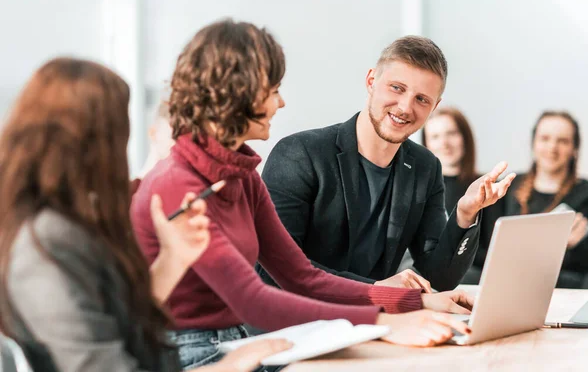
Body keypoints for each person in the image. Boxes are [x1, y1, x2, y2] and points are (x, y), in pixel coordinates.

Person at [132, 20, 473, 370]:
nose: (281, 102)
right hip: (183, 354)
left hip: (236, 343)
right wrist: (385, 324)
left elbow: (301, 277)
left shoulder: (242, 175)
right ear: (237, 93)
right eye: (273, 89)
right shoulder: (179, 183)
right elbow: (253, 300)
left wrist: (409, 301)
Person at [0, 57, 293, 372]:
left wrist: (172, 258)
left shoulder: (68, 224)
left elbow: (121, 322)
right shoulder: (45, 241)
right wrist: (229, 367)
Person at [257, 36, 515, 293]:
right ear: (371, 81)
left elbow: (439, 278)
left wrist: (465, 213)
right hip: (298, 326)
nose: (405, 107)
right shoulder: (299, 154)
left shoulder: (426, 168)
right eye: (397, 88)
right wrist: (376, 290)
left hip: (375, 325)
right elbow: (274, 271)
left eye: (422, 99)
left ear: (434, 106)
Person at [504, 111, 588, 289]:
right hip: (515, 277)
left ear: (574, 149)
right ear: (534, 143)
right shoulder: (509, 185)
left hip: (566, 282)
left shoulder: (587, 193)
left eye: (563, 141)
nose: (552, 148)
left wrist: (576, 245)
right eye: (545, 138)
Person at [421, 107, 504, 284]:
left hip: (479, 274)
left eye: (451, 133)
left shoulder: (487, 187)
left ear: (465, 138)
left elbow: (495, 250)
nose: (444, 143)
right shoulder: (419, 188)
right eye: (435, 136)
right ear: (426, 144)